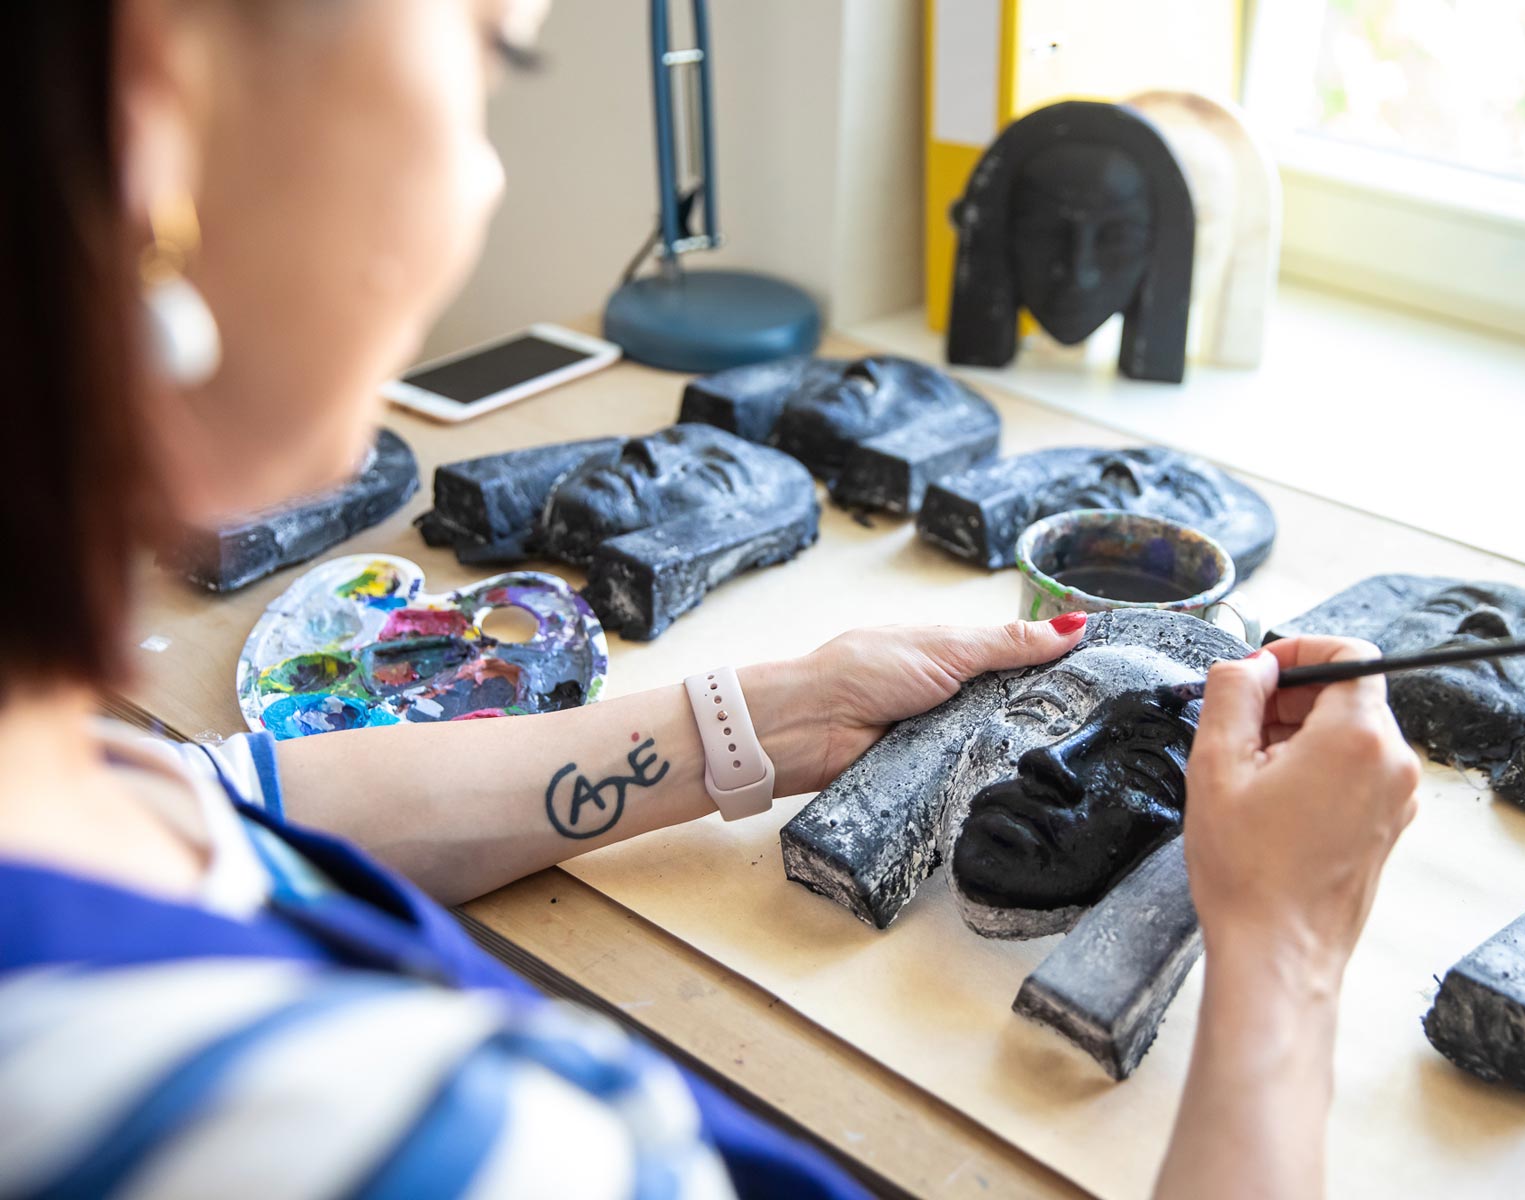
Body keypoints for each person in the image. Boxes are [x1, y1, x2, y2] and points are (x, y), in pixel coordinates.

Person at [0, 3, 1421, 1198]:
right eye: (499, 52)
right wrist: (1285, 964)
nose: (488, 183)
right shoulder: (381, 1140)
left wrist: (763, 718)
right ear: (156, 122)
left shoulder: (59, 786)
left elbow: (240, 801)